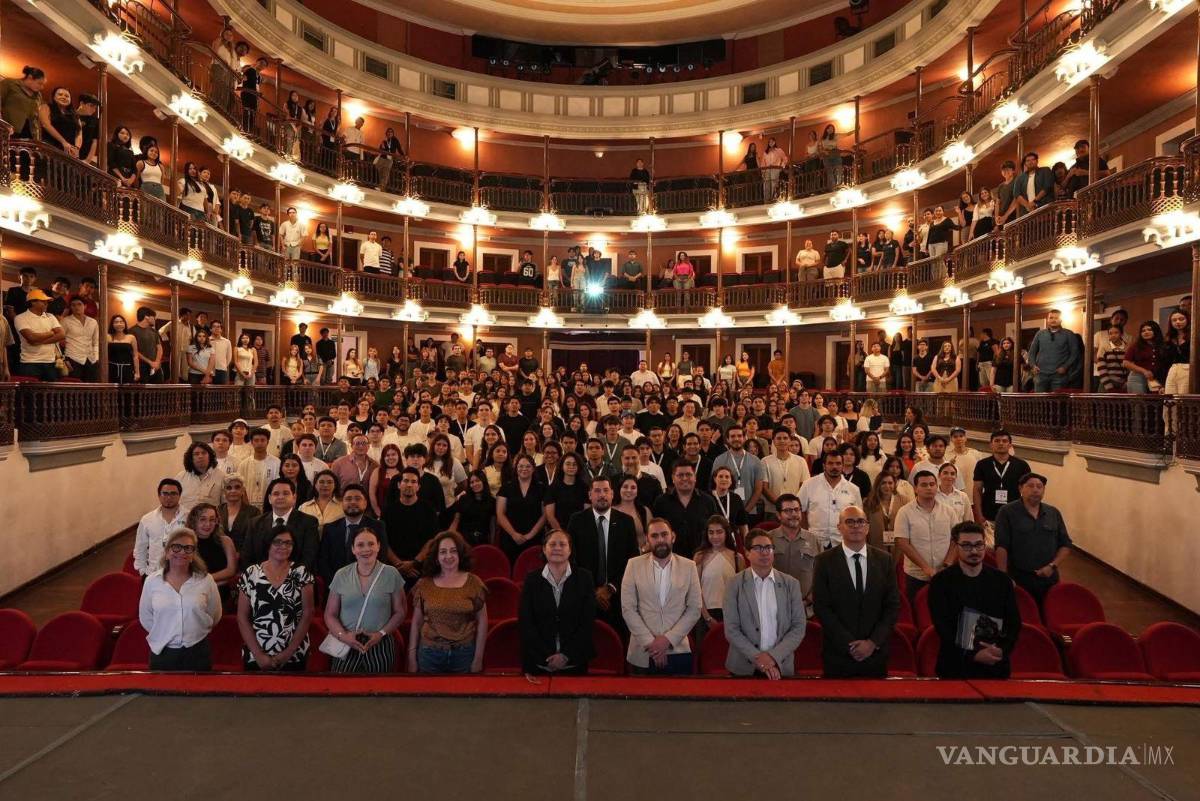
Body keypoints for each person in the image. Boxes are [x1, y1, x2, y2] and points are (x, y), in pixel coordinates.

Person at [811, 506, 901, 678]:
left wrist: (872, 643)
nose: (855, 526)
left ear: (867, 527)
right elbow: (822, 607)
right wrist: (849, 644)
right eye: (849, 522)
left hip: (875, 654)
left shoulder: (884, 560)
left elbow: (892, 606)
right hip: (838, 654)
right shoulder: (824, 561)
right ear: (839, 527)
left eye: (860, 521)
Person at [928, 522, 1021, 679]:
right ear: (955, 546)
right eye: (966, 546)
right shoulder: (941, 582)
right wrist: (973, 655)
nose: (974, 551)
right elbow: (943, 628)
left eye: (979, 545)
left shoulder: (1002, 581)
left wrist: (1001, 650)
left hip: (995, 665)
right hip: (955, 667)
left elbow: (1014, 622)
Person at [620, 518, 702, 675]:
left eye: (664, 534)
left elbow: (694, 608)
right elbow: (628, 609)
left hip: (678, 650)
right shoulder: (633, 565)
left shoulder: (689, 566)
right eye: (655, 536)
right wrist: (652, 644)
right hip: (643, 652)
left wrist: (667, 640)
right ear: (647, 539)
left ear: (673, 537)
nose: (660, 540)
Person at [722, 529, 807, 679]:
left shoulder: (791, 584)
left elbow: (798, 627)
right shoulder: (734, 584)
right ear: (747, 553)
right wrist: (759, 658)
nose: (765, 552)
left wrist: (773, 657)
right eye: (758, 548)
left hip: (780, 665)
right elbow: (732, 629)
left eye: (768, 547)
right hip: (743, 667)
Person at [138, 528, 223, 671]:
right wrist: (166, 632)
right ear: (167, 552)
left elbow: (215, 614)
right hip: (163, 652)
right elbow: (146, 617)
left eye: (188, 548)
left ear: (193, 555)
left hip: (197, 651)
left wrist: (196, 629)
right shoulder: (152, 581)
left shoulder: (206, 580)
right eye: (176, 547)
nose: (182, 552)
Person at [324, 527, 406, 673]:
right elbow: (330, 614)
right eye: (360, 545)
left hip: (380, 643)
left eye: (371, 544)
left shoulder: (391, 573)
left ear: (379, 546)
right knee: (343, 690)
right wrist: (344, 636)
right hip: (346, 642)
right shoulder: (341, 574)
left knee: (379, 691)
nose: (366, 549)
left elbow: (400, 612)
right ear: (353, 549)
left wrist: (380, 634)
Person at [235, 526, 315, 671]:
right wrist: (258, 655)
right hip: (256, 653)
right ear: (267, 544)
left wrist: (288, 653)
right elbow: (242, 616)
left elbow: (308, 614)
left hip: (294, 653)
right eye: (277, 542)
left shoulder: (301, 572)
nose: (283, 546)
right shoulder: (251, 573)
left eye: (288, 543)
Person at [518, 530, 597, 677]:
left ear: (570, 549)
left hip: (575, 662)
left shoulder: (585, 578)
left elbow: (587, 622)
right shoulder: (532, 580)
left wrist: (565, 656)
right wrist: (548, 657)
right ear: (544, 549)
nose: (557, 548)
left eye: (562, 544)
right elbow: (526, 622)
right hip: (538, 662)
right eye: (552, 544)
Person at [408, 531, 488, 673]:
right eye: (443, 552)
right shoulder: (424, 584)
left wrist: (478, 659)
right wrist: (411, 658)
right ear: (436, 557)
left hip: (464, 654)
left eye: (453, 551)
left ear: (460, 554)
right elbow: (416, 623)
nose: (448, 556)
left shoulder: (474, 583)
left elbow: (482, 622)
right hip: (429, 654)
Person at [567, 477, 638, 632]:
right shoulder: (576, 520)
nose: (602, 495)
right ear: (590, 495)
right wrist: (593, 591)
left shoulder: (626, 522)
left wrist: (611, 588)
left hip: (618, 597)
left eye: (606, 490)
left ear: (612, 494)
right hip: (585, 596)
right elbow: (571, 560)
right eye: (597, 491)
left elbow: (632, 561)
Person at [994, 473, 1072, 606]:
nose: (1035, 490)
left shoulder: (1053, 513)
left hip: (1049, 578)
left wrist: (1052, 566)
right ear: (1020, 489)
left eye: (1039, 487)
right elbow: (1001, 546)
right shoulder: (1007, 512)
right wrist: (1004, 577)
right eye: (1030, 486)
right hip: (1019, 578)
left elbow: (1065, 544)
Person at [893, 470, 959, 606]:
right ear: (915, 489)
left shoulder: (949, 511)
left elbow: (956, 540)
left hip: (944, 573)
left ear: (936, 486)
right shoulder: (904, 512)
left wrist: (947, 564)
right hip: (916, 575)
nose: (929, 488)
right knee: (917, 612)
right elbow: (903, 543)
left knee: (945, 612)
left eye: (932, 484)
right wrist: (926, 568)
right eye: (924, 485)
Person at [241, 478, 320, 571]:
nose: (281, 497)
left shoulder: (308, 522)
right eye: (276, 494)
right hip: (260, 578)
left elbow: (309, 557)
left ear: (294, 498)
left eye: (286, 493)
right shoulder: (255, 523)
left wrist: (288, 578)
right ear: (270, 499)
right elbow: (247, 557)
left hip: (296, 579)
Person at [651, 460, 718, 559]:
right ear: (673, 478)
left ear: (695, 477)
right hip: (670, 559)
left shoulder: (708, 501)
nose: (685, 478)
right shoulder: (661, 502)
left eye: (688, 474)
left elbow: (714, 530)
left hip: (702, 559)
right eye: (680, 475)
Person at [798, 451, 863, 549]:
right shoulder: (809, 484)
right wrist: (805, 534)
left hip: (843, 542)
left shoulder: (853, 489)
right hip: (815, 541)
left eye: (838, 463)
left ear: (842, 466)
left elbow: (858, 518)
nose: (834, 467)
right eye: (830, 463)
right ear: (824, 465)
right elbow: (800, 510)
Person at [693, 516, 743, 643]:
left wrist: (733, 617)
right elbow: (695, 590)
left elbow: (742, 591)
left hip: (731, 615)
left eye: (719, 532)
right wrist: (707, 618)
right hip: (705, 614)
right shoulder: (700, 557)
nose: (715, 536)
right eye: (711, 532)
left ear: (726, 533)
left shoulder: (738, 558)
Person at [972, 430, 1032, 527]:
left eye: (1004, 441)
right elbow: (977, 490)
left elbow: (1028, 491)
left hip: (1014, 515)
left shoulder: (1021, 465)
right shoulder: (982, 464)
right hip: (989, 515)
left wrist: (1026, 513)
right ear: (991, 444)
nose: (1001, 443)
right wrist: (979, 515)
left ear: (1010, 445)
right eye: (997, 441)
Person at [12, 289, 63, 380]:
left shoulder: (50, 316)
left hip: (50, 362)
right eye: (43, 301)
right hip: (29, 363)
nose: (46, 303)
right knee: (30, 393)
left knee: (51, 393)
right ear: (33, 302)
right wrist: (51, 333)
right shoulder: (20, 318)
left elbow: (62, 335)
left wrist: (38, 341)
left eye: (47, 301)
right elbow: (31, 338)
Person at [1028, 309, 1081, 392]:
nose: (1053, 320)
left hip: (1059, 375)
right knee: (1039, 402)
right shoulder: (1040, 334)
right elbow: (1032, 352)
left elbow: (1075, 353)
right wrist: (1033, 365)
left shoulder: (1069, 334)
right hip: (1040, 374)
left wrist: (1065, 366)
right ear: (1047, 319)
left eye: (1056, 318)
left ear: (1061, 320)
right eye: (1051, 318)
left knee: (1057, 402)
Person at [61, 296, 99, 381]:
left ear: (85, 306)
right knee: (74, 389)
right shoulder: (65, 321)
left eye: (79, 304)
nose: (76, 307)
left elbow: (96, 342)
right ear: (70, 307)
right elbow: (58, 342)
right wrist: (64, 359)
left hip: (90, 359)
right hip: (72, 358)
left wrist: (96, 358)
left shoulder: (93, 322)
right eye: (73, 305)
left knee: (91, 389)